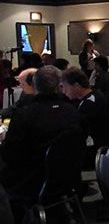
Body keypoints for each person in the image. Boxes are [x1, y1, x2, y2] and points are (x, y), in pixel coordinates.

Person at [0, 66, 81, 203]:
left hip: (31, 181)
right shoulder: (72, 111)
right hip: (67, 177)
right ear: (59, 86)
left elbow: (10, 155)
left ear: (34, 86)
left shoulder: (25, 115)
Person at [61, 67, 109, 154]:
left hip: (93, 150)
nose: (63, 91)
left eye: (65, 87)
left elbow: (80, 132)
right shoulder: (95, 94)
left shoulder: (89, 104)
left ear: (76, 86)